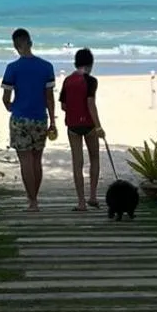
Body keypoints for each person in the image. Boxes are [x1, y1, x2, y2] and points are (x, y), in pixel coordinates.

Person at [1, 28, 57, 211]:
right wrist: (53, 121)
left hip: (20, 117)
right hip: (40, 117)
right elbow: (49, 97)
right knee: (36, 159)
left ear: (16, 46)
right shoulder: (46, 67)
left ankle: (32, 201)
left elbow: (6, 97)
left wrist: (10, 106)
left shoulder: (12, 68)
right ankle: (35, 197)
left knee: (25, 160)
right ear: (30, 43)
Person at [60, 48, 104, 212]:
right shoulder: (91, 81)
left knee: (77, 164)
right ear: (90, 64)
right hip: (89, 125)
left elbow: (64, 106)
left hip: (72, 125)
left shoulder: (67, 81)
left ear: (75, 63)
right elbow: (91, 103)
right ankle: (93, 196)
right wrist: (98, 126)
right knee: (94, 158)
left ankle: (81, 202)